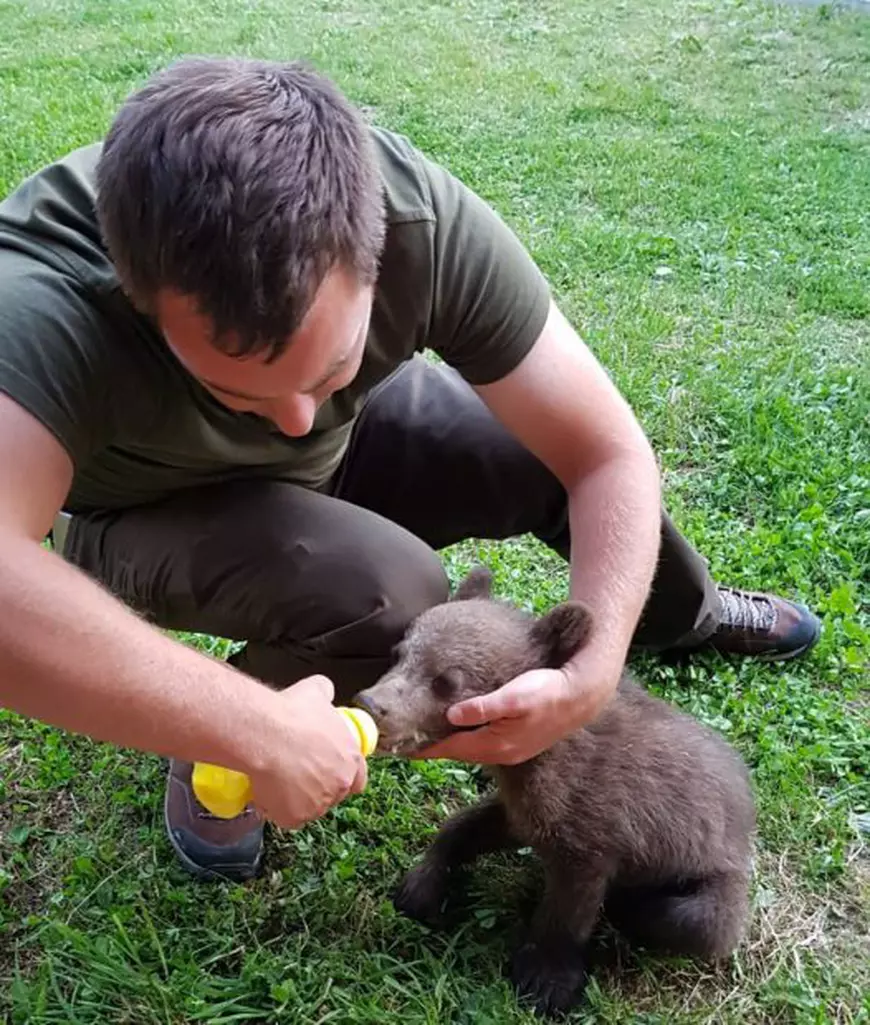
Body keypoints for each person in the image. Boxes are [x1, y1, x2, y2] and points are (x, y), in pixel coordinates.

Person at [0, 56, 820, 883]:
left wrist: (593, 669)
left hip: (359, 442)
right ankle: (226, 735)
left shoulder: (414, 215)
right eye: (229, 386)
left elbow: (604, 450)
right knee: (386, 590)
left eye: (330, 368)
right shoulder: (39, 300)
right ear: (136, 294)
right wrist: (245, 726)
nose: (292, 420)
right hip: (151, 507)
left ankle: (686, 613)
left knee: (532, 451)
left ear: (376, 253)